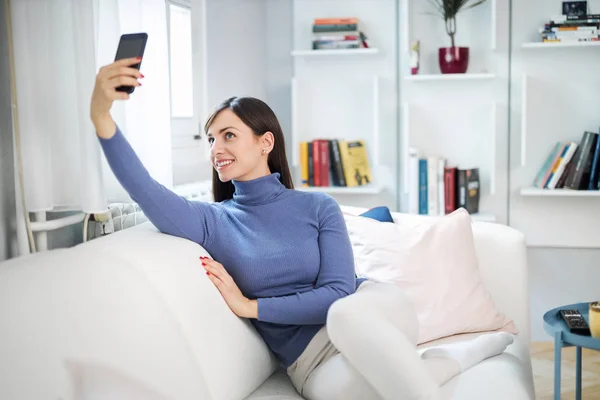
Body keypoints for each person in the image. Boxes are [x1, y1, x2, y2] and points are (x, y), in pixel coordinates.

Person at [90, 57, 515, 400]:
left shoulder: (317, 206)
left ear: (265, 142)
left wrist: (251, 307)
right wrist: (102, 118)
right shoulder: (212, 220)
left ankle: (459, 351)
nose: (216, 149)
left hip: (372, 311)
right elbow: (145, 190)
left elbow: (337, 293)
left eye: (228, 136)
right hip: (311, 364)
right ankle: (475, 349)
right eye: (210, 140)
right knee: (398, 385)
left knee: (346, 315)